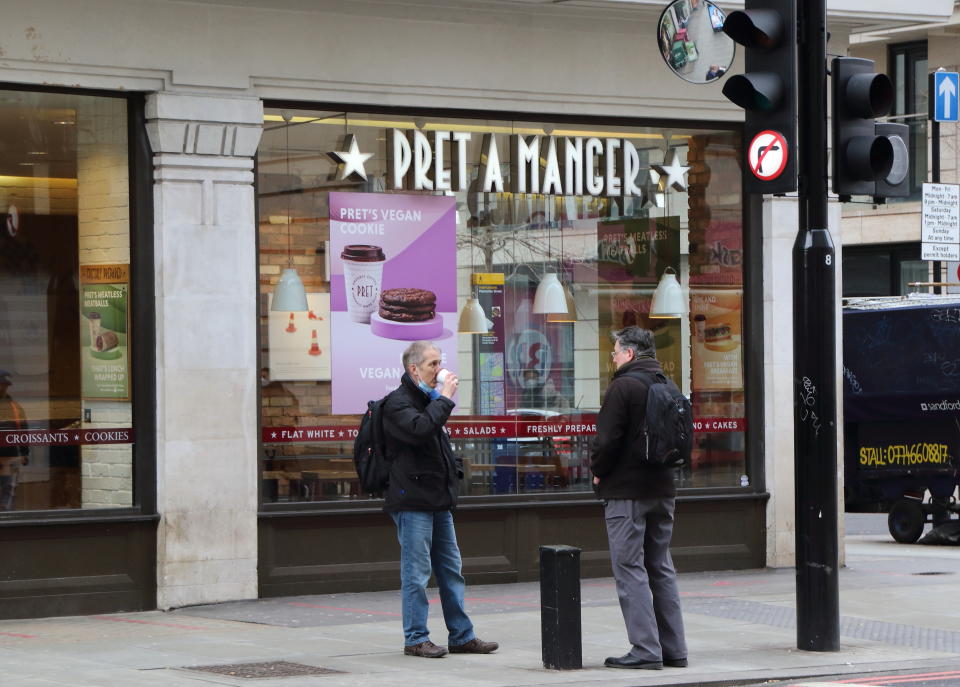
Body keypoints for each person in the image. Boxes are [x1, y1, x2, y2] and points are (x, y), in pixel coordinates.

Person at [382, 341, 498, 659]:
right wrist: (445, 397)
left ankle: (462, 635)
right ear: (413, 369)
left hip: (438, 500)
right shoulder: (398, 403)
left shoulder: (429, 400)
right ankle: (416, 638)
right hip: (412, 501)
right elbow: (420, 430)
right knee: (417, 574)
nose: (439, 370)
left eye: (439, 362)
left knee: (451, 570)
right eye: (432, 364)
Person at [590, 327, 687, 670]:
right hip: (663, 489)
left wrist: (597, 470)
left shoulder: (623, 386)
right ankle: (673, 649)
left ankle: (646, 650)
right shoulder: (667, 384)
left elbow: (607, 441)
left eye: (615, 353)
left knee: (629, 568)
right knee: (660, 567)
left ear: (629, 354)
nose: (613, 359)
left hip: (627, 493)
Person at [0, 370, 29, 511]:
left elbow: (23, 430)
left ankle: (6, 518)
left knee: (8, 488)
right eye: (1, 384)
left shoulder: (15, 407)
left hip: (9, 456)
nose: (3, 388)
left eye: (5, 385)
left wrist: (24, 452)